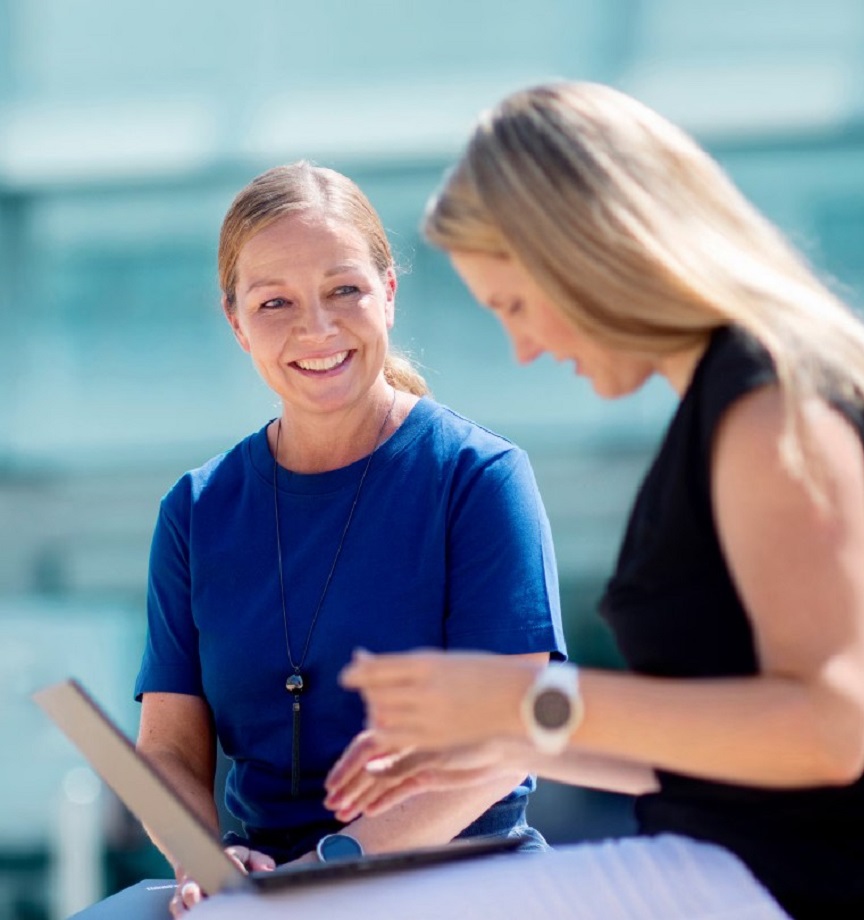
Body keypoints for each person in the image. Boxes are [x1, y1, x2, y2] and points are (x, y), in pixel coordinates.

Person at [322, 81, 864, 919]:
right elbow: (724, 757)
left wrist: (524, 702)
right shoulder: (734, 404)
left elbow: (826, 729)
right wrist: (515, 739)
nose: (523, 349)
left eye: (517, 305)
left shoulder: (772, 405)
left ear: (589, 254)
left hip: (804, 887)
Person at [133, 162, 566, 915]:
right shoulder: (197, 509)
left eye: (345, 290)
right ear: (236, 322)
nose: (318, 328)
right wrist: (209, 861)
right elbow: (168, 747)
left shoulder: (480, 479)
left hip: (465, 887)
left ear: (389, 295)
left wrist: (330, 867)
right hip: (266, 893)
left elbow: (513, 735)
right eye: (276, 302)